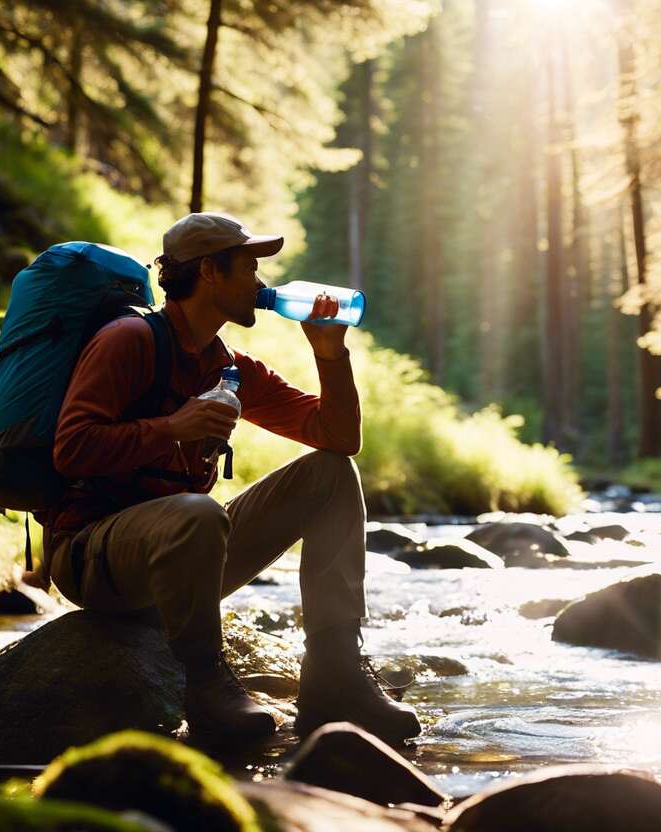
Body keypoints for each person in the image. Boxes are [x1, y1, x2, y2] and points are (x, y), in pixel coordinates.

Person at [33, 212, 420, 744]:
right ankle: (205, 683)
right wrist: (173, 428)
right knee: (198, 513)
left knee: (331, 474)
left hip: (181, 560)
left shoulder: (231, 367)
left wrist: (330, 355)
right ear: (209, 272)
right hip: (94, 558)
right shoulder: (128, 341)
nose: (261, 283)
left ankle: (336, 675)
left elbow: (338, 438)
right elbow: (71, 449)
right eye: (249, 268)